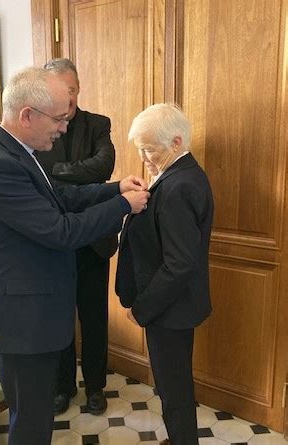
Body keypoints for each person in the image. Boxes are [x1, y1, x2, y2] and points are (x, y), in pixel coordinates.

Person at [0, 66, 149, 445]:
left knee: (34, 420)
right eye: (59, 119)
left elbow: (60, 198)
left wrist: (114, 190)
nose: (64, 128)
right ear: (27, 114)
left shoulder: (17, 152)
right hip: (21, 322)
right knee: (31, 425)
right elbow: (61, 231)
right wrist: (123, 207)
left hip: (30, 315)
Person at [115, 103, 214, 445]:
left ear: (175, 142)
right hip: (172, 307)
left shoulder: (179, 186)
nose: (143, 157)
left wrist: (142, 308)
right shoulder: (178, 175)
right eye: (140, 148)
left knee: (174, 388)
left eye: (149, 149)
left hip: (169, 310)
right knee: (174, 384)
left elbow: (179, 263)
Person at [36, 58, 116, 416]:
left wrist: (61, 174)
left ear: (77, 88)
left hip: (93, 239)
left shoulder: (98, 124)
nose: (62, 98)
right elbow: (42, 176)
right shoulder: (40, 127)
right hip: (54, 240)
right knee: (59, 316)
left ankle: (96, 386)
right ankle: (62, 386)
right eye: (54, 90)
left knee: (94, 316)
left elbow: (104, 166)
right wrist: (73, 177)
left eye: (67, 90)